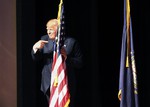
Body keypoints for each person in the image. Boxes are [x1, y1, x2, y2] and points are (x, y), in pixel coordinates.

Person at [31, 19, 83, 107]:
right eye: (47, 29)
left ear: (59, 29)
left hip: (65, 83)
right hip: (48, 83)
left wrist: (66, 57)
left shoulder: (71, 42)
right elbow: (36, 58)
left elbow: (80, 63)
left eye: (51, 29)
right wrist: (35, 48)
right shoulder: (44, 40)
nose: (48, 32)